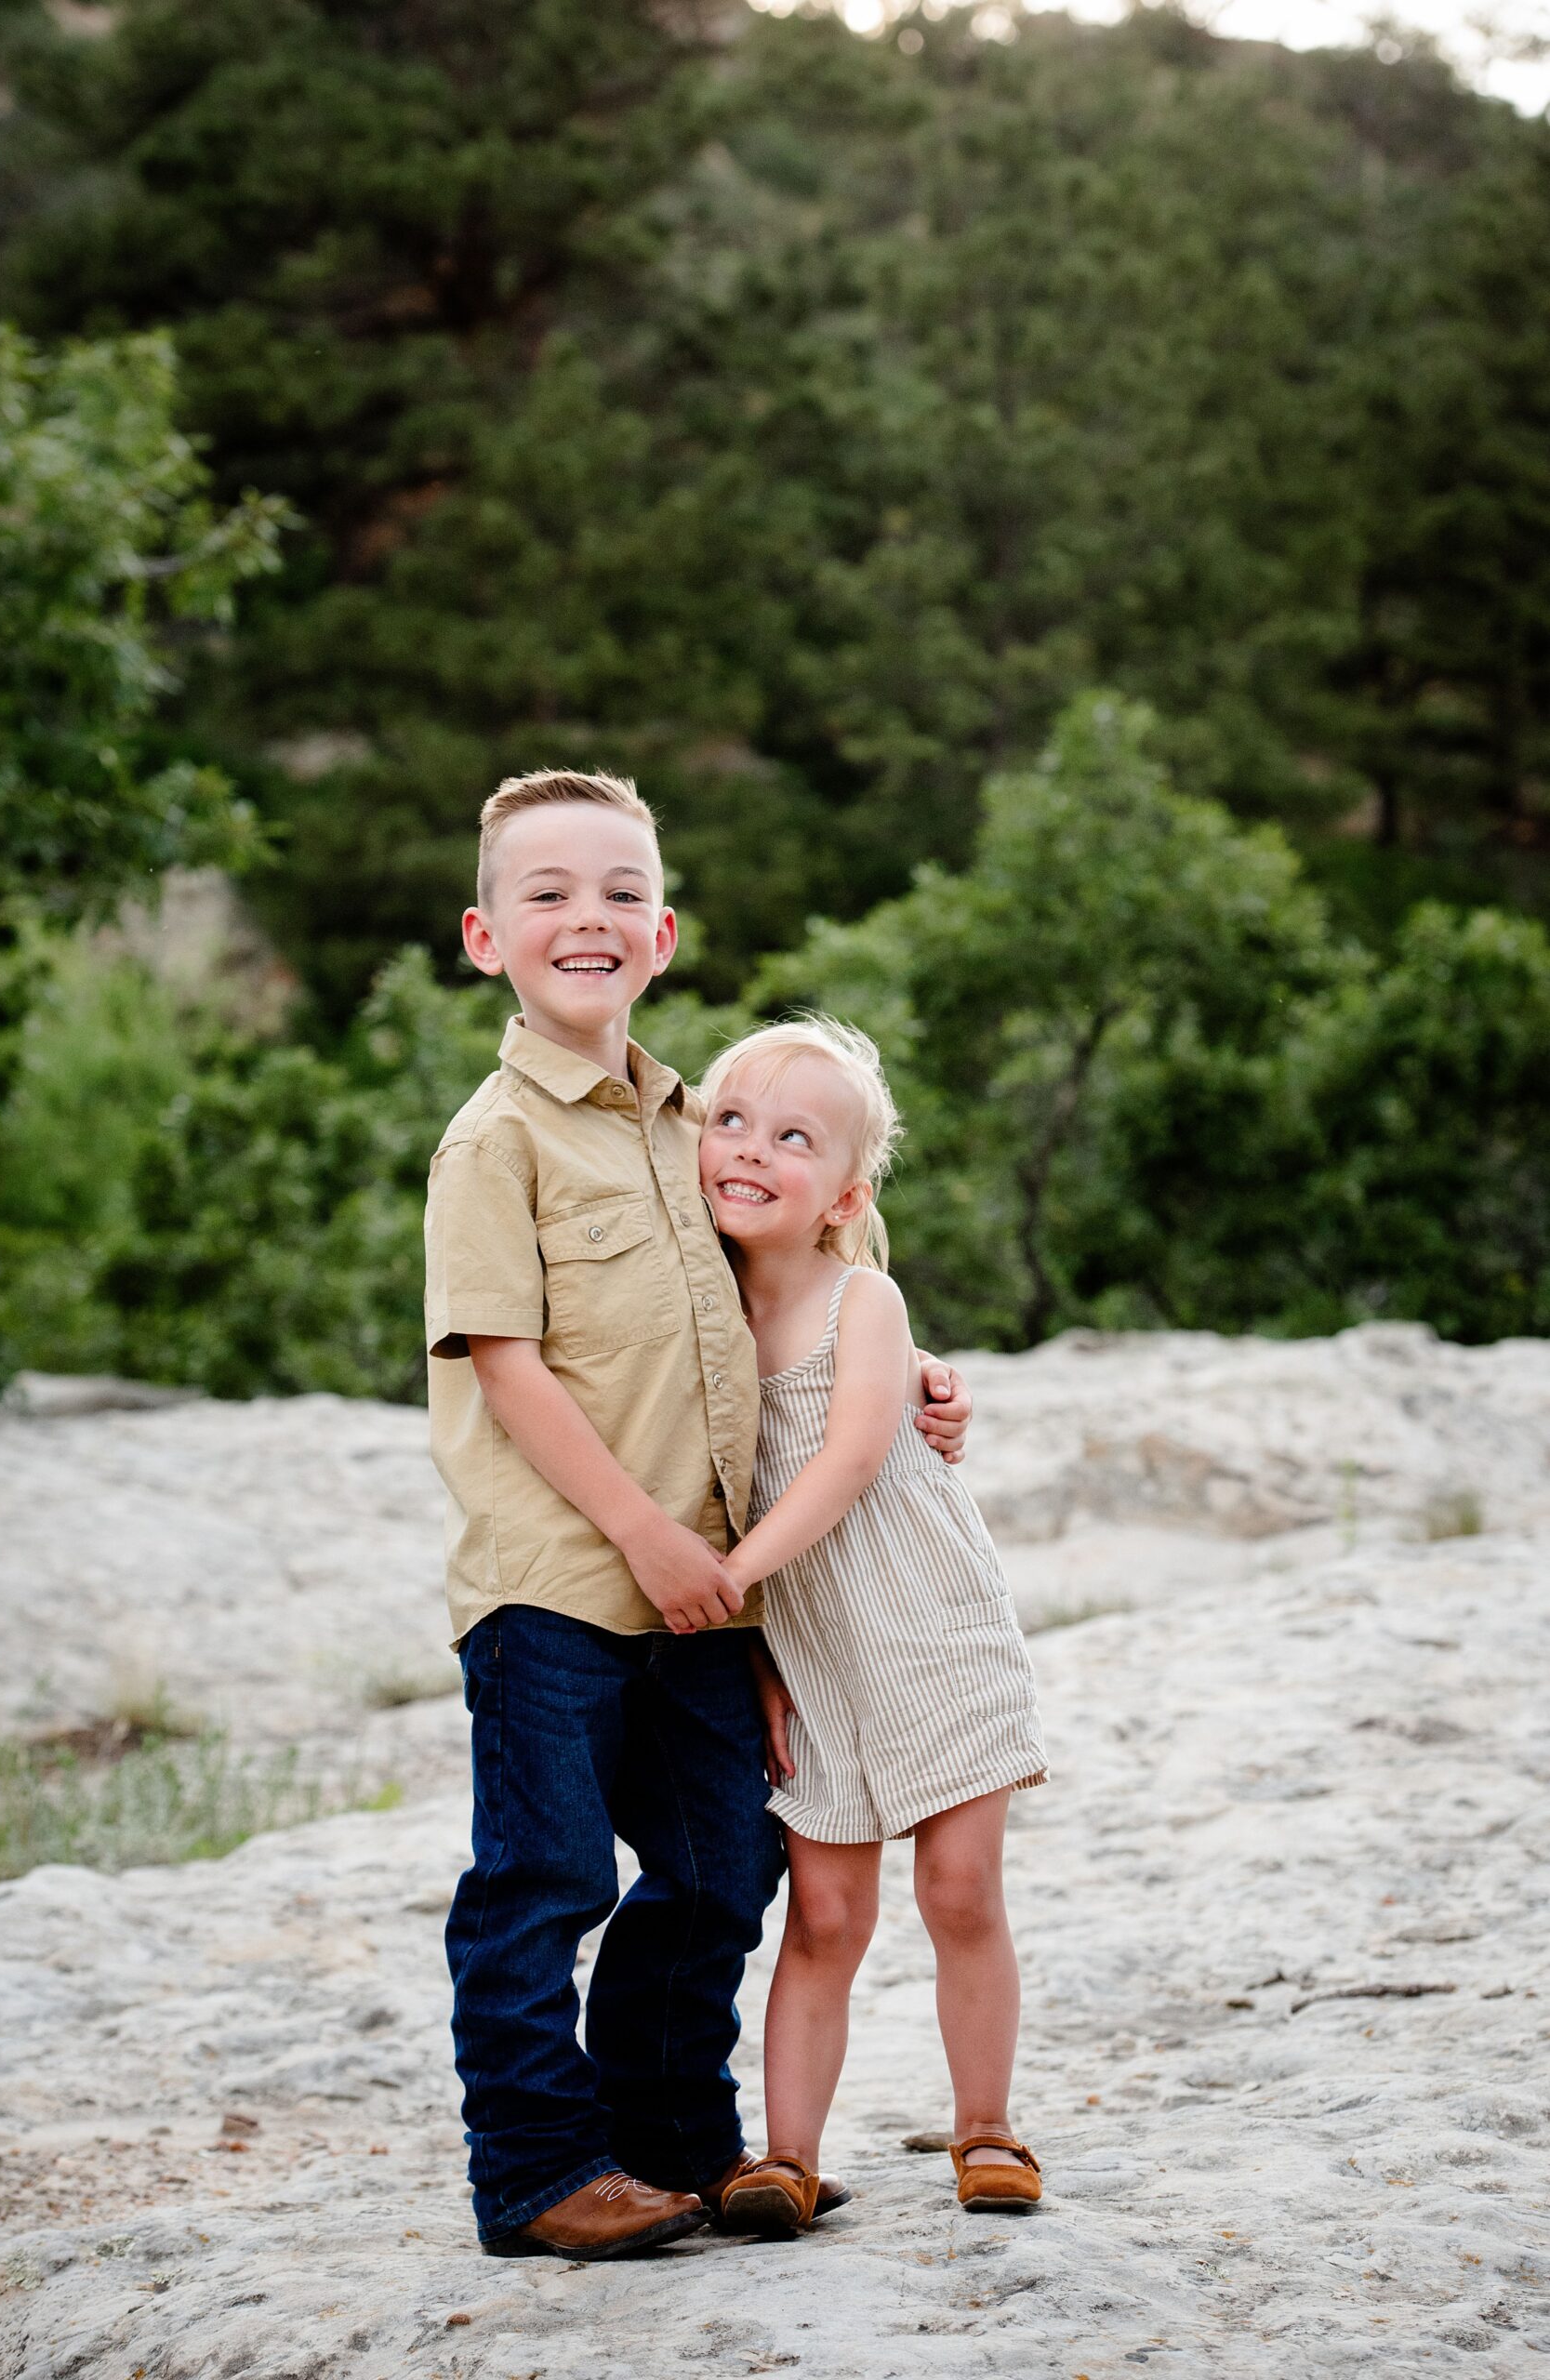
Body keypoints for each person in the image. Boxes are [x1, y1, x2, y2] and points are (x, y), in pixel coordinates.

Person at [425, 769, 973, 2260]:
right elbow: (510, 1367)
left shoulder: (692, 1124)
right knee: (542, 1877)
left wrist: (902, 1357)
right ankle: (537, 2173)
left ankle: (674, 2141)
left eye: (616, 895)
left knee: (725, 1864)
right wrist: (647, 1537)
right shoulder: (498, 1143)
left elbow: (788, 1267)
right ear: (487, 937)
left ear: (661, 935)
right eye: (545, 894)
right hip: (559, 1584)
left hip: (716, 1594)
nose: (583, 919)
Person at [696, 1016, 1049, 2237]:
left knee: (958, 1891)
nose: (749, 1150)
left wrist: (727, 1578)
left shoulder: (866, 1300)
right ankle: (785, 2157)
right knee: (826, 1917)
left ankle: (987, 2128)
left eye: (791, 1137)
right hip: (816, 1664)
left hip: (930, 1630)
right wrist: (751, 1637)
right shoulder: (695, 1319)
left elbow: (847, 1461)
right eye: (729, 1121)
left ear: (841, 1195)